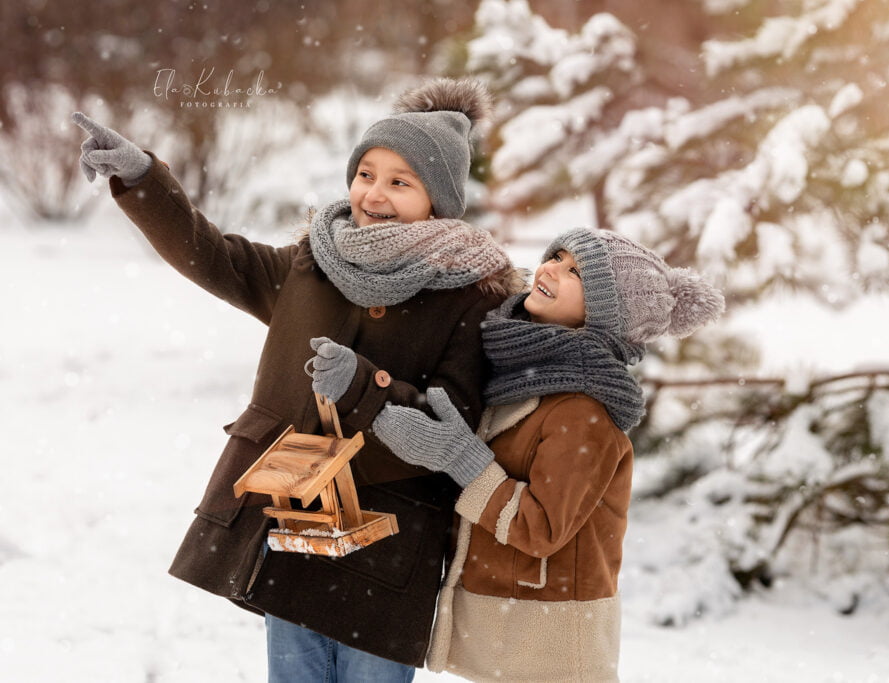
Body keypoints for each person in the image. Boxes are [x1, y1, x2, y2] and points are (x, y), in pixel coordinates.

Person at [72, 78, 522, 682]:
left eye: (400, 181)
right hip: (296, 525)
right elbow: (215, 255)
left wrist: (365, 386)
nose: (374, 194)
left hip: (388, 541)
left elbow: (454, 422)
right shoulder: (314, 264)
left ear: (439, 199)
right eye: (367, 173)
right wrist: (143, 178)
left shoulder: (470, 296)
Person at [372, 227, 725, 682]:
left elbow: (539, 528)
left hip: (548, 649)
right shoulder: (519, 380)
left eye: (575, 271)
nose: (551, 268)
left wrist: (460, 457)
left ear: (604, 314)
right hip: (507, 637)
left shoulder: (583, 411)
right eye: (556, 256)